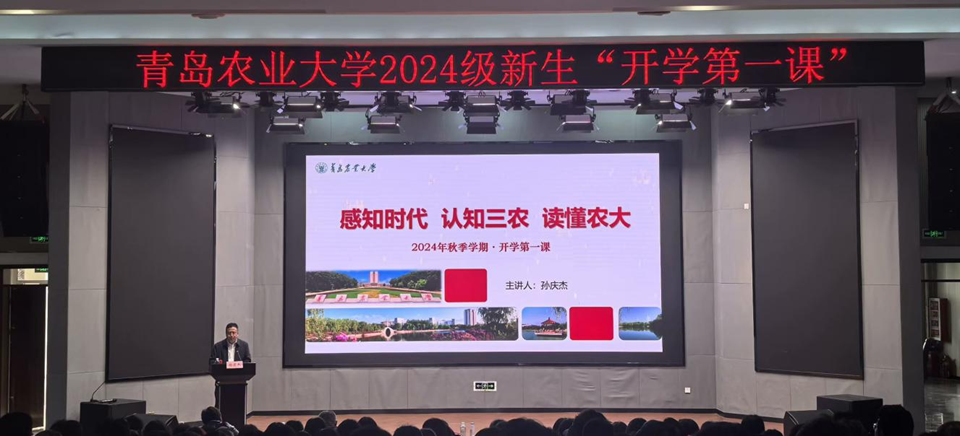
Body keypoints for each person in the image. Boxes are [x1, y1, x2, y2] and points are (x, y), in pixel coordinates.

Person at [210, 323, 252, 406]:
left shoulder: (244, 346)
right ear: (226, 334)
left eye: (234, 333)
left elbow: (248, 361)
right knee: (221, 406)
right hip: (222, 382)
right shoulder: (218, 347)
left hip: (239, 383)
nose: (231, 335)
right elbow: (212, 362)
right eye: (229, 333)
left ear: (237, 334)